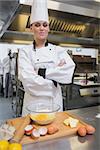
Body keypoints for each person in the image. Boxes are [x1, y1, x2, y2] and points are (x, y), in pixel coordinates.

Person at [18, 0, 75, 116]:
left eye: (45, 25)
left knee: (55, 131)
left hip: (55, 102)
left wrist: (41, 72)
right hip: (32, 105)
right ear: (31, 28)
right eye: (37, 25)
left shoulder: (58, 50)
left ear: (49, 28)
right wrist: (54, 80)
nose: (41, 28)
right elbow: (28, 81)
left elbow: (68, 72)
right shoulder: (25, 51)